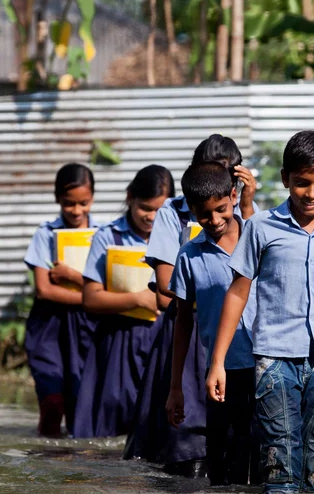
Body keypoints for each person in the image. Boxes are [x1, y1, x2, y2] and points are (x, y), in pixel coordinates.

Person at [207, 130, 314, 494]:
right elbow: (237, 294)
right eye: (301, 183)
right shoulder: (261, 227)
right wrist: (218, 361)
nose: (311, 193)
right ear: (286, 179)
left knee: (313, 458)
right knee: (279, 456)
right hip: (273, 358)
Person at [124, 134, 256, 476]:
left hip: (252, 353)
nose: (213, 217)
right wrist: (175, 388)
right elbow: (170, 292)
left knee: (254, 445)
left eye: (226, 176)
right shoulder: (178, 221)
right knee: (195, 440)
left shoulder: (253, 224)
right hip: (200, 327)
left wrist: (247, 205)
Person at [165, 163, 258, 486]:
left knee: (265, 463)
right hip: (222, 374)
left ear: (234, 196)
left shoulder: (259, 239)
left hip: (269, 367)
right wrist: (176, 387)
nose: (216, 221)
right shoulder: (190, 256)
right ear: (191, 211)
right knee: (222, 468)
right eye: (206, 215)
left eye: (222, 210)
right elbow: (183, 322)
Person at [72, 165, 175, 438]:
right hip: (119, 340)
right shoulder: (108, 237)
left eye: (159, 210)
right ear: (130, 197)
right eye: (145, 208)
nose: (151, 217)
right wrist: (136, 298)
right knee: (112, 417)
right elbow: (90, 298)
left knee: (158, 418)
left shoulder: (180, 236)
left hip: (165, 338)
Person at [23, 163, 99, 437]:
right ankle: (47, 460)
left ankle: (76, 468)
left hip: (88, 327)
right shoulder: (45, 234)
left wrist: (72, 277)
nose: (77, 211)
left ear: (92, 199)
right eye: (69, 204)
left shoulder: (102, 234)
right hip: (49, 327)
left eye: (83, 203)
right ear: (57, 199)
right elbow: (44, 289)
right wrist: (92, 297)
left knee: (81, 401)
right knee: (52, 400)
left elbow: (110, 286)